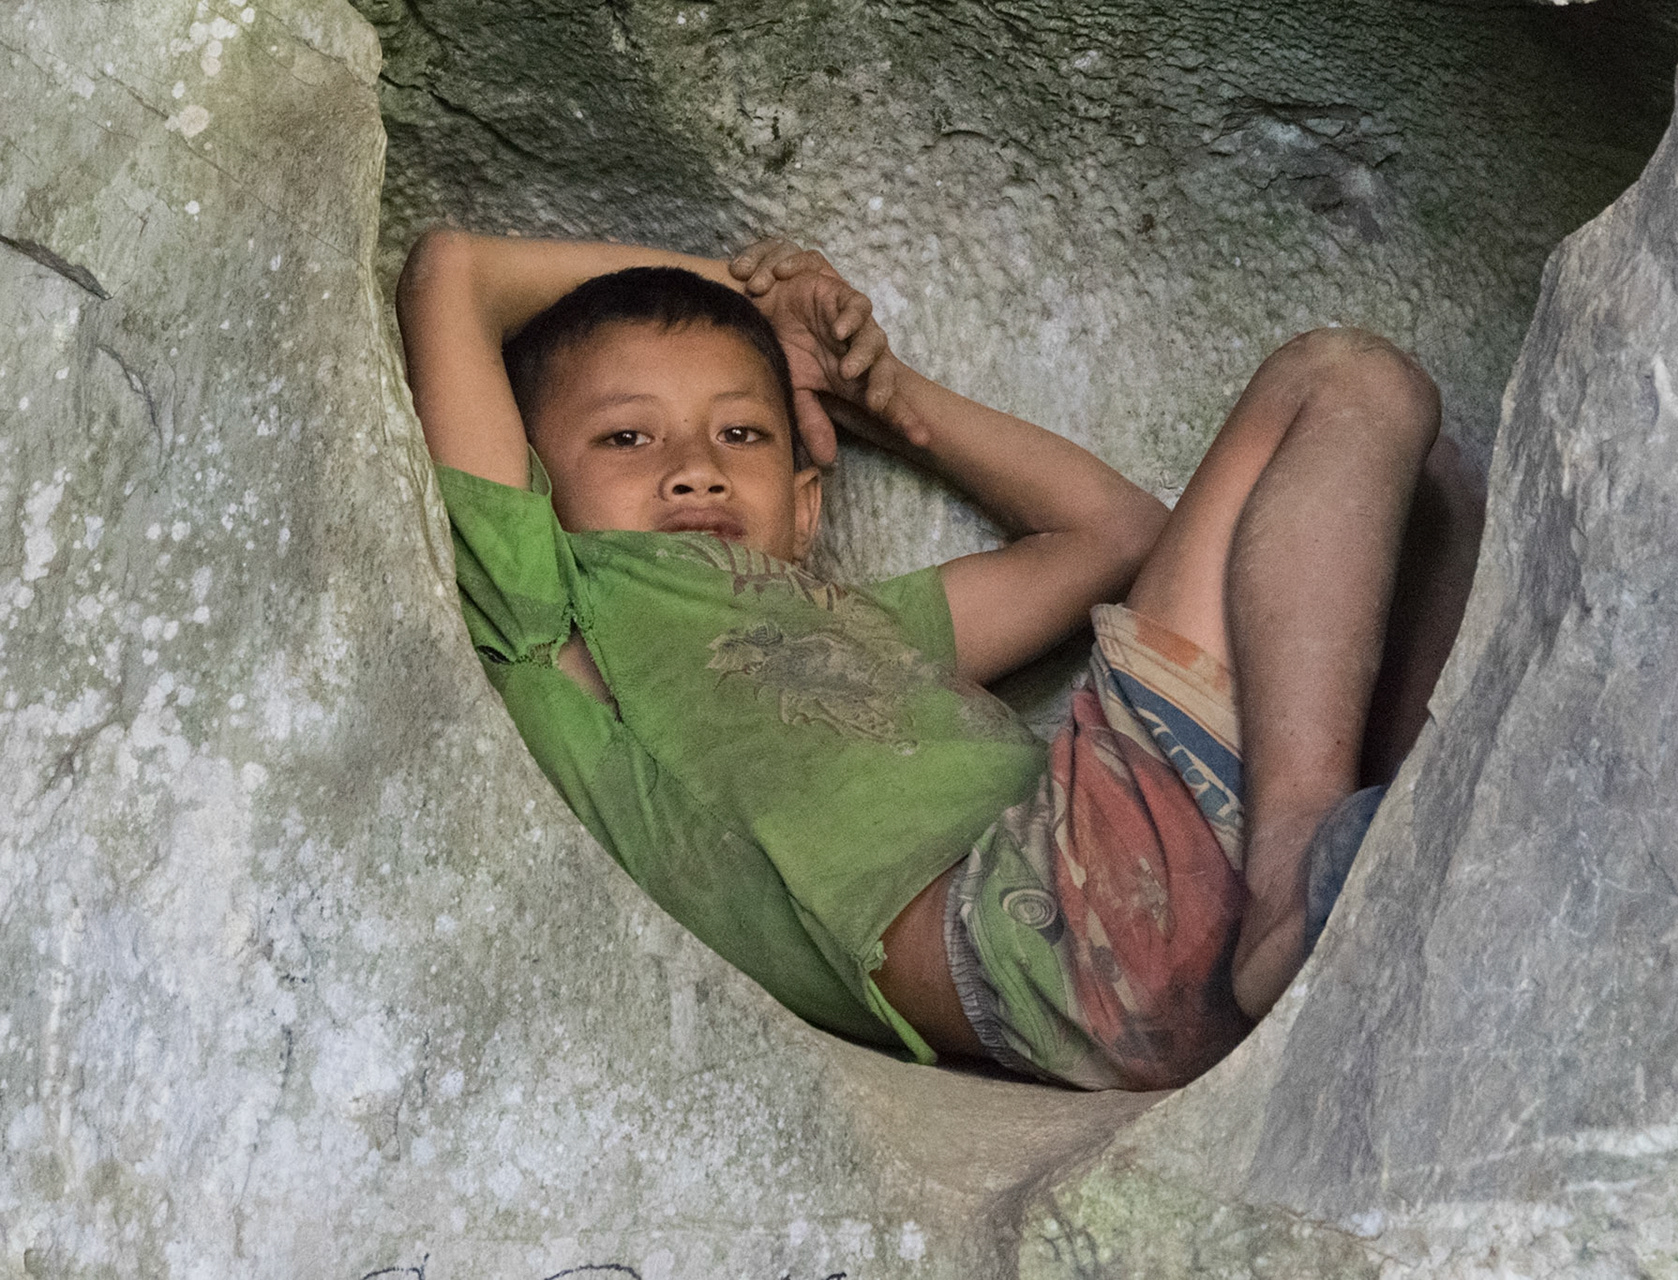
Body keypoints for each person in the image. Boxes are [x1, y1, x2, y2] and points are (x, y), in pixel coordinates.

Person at [396, 229, 1482, 1090]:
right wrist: (741, 293)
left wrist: (889, 396)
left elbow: (1115, 535)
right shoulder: (554, 615)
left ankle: (1351, 843)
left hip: (1130, 880)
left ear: (807, 500)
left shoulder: (863, 626)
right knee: (1342, 379)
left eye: (743, 435)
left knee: (1411, 457)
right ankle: (1306, 866)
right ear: (532, 488)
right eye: (626, 438)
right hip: (1048, 927)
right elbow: (454, 271)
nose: (693, 470)